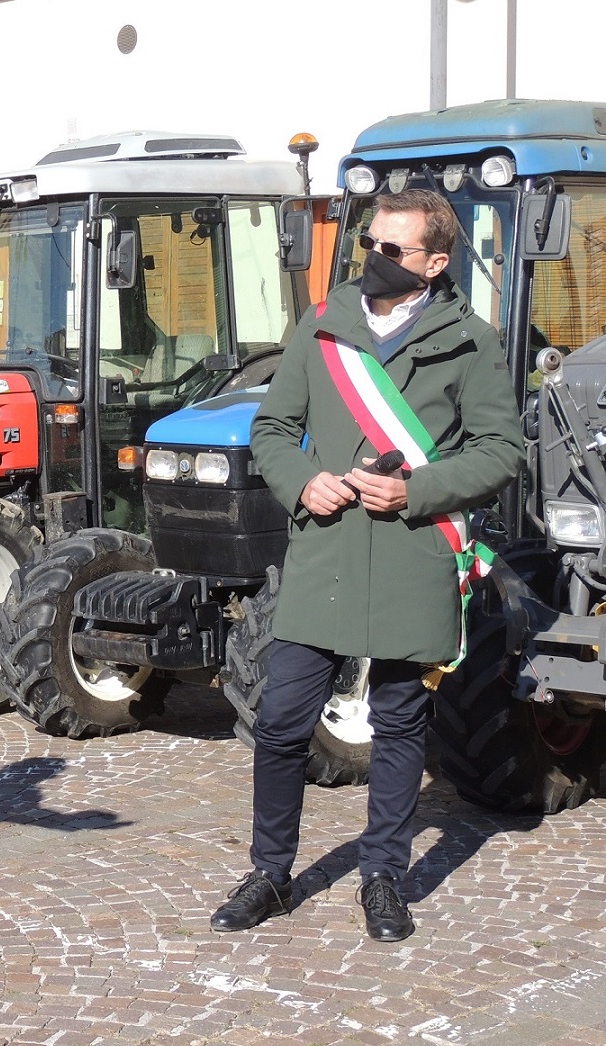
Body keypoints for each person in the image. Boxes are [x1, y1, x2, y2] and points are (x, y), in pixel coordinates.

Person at [209, 188, 524, 943]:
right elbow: (275, 428)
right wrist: (301, 480)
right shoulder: (324, 324)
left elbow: (501, 450)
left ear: (436, 262)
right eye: (371, 244)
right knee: (281, 720)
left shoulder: (470, 338)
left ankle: (383, 876)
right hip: (327, 551)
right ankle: (271, 872)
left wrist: (418, 488)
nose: (374, 260)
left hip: (414, 549)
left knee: (400, 722)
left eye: (394, 250)